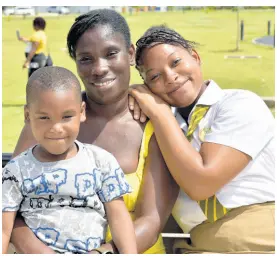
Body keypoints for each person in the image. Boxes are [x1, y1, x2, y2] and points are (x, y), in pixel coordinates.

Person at [10, 10, 179, 254]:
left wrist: (101, 252)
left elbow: (151, 221)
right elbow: (11, 204)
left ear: (130, 53)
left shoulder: (153, 123)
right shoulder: (49, 123)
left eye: (111, 54)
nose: (99, 68)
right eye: (86, 59)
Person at [128, 25, 275, 253]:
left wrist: (159, 112)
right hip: (200, 244)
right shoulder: (163, 129)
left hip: (258, 237)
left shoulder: (240, 104)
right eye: (154, 76)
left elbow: (202, 183)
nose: (171, 77)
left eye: (175, 62)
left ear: (195, 57)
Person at [2, 66, 137, 254]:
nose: (56, 128)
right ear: (27, 116)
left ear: (81, 112)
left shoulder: (101, 161)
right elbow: (3, 230)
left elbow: (119, 218)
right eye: (44, 117)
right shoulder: (16, 171)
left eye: (66, 116)